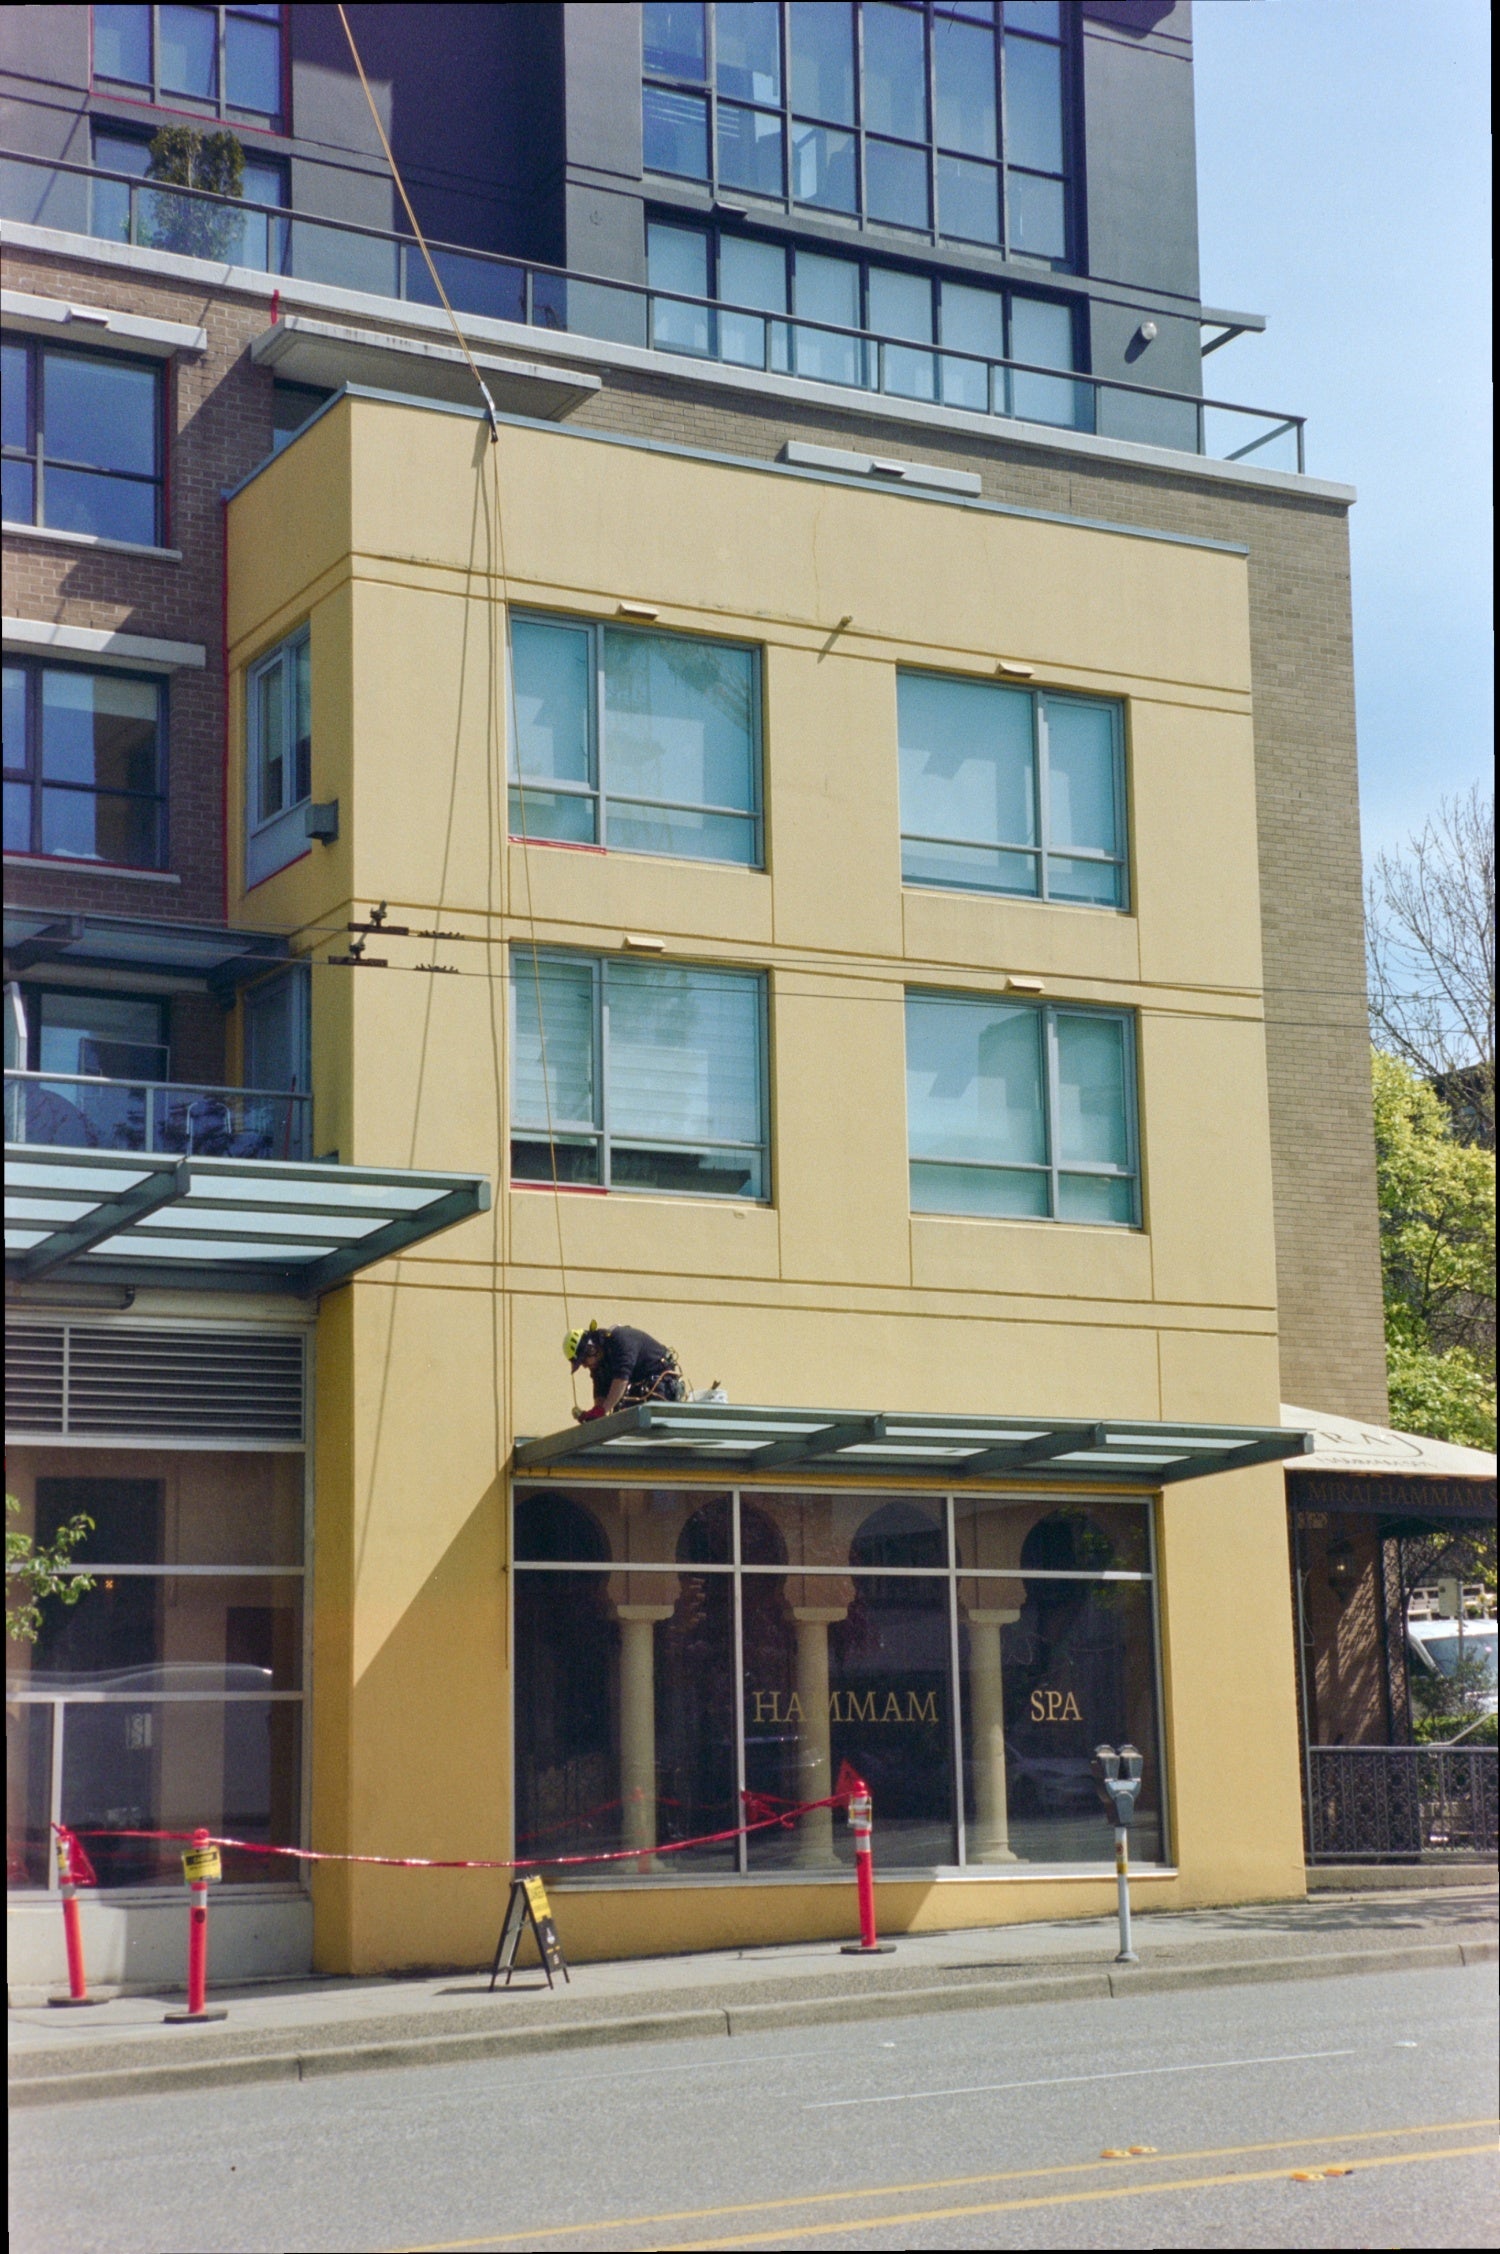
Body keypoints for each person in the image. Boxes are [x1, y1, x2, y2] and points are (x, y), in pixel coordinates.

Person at [565, 1322, 687, 1421]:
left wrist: (602, 1411)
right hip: (638, 1391)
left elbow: (621, 1379)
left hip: (660, 1385)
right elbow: (600, 1391)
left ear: (591, 1349)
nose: (585, 1366)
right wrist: (595, 1415)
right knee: (623, 1417)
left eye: (584, 1361)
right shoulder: (599, 1364)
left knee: (642, 1418)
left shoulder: (620, 1340)